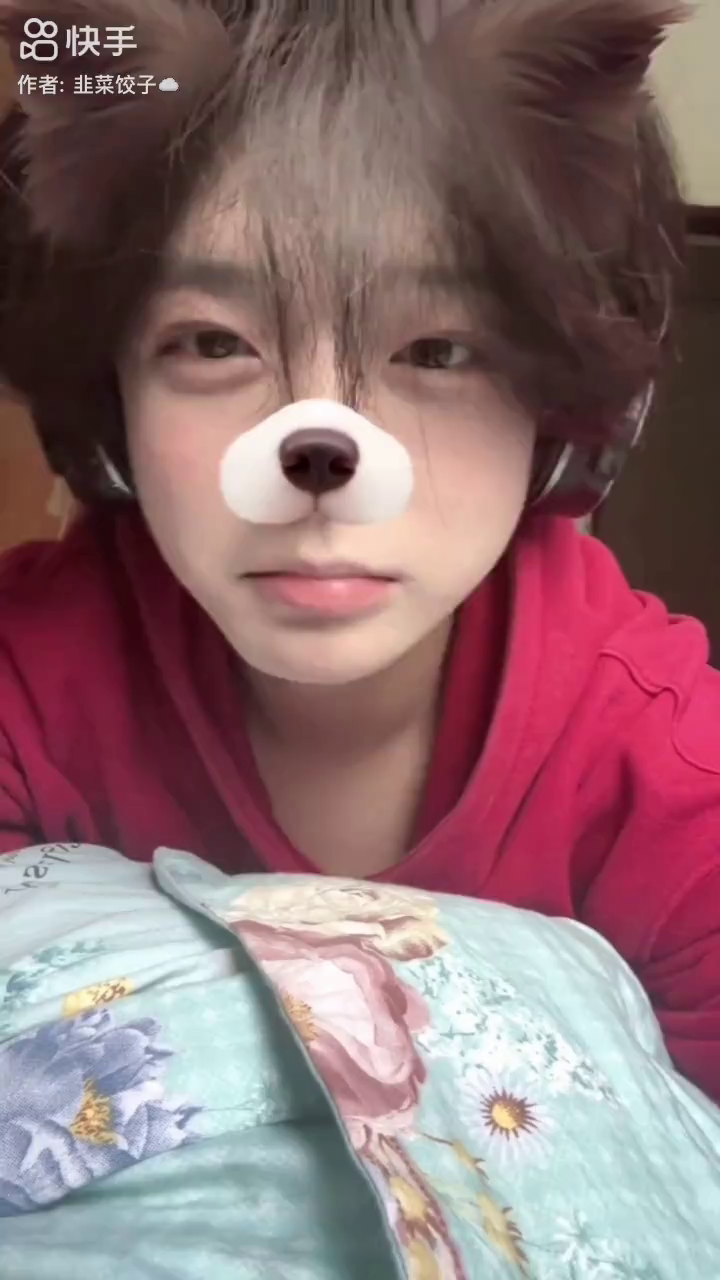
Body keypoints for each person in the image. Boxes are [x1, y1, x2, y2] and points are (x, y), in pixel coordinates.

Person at [0, 0, 717, 1105]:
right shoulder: (26, 685)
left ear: (566, 404)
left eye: (439, 349)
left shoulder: (670, 779)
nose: (320, 447)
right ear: (110, 393)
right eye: (213, 342)